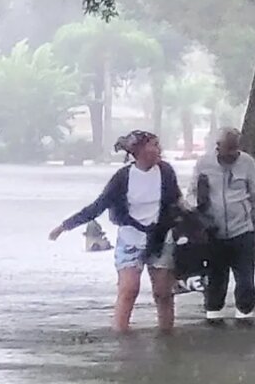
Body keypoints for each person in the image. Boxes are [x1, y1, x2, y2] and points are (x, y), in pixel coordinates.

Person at [48, 130, 181, 333]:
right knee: (129, 290)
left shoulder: (166, 172)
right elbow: (98, 206)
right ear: (138, 151)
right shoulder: (123, 177)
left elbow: (177, 201)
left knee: (163, 292)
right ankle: (121, 337)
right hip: (130, 239)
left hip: (160, 237)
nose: (158, 149)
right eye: (153, 145)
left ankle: (167, 337)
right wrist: (65, 226)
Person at [192, 128, 255, 320]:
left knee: (245, 281)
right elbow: (190, 193)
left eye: (234, 150)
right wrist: (197, 208)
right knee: (216, 279)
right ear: (217, 147)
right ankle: (213, 313)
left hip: (242, 231)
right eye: (227, 150)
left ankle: (245, 314)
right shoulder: (204, 163)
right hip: (214, 232)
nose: (230, 155)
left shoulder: (247, 163)